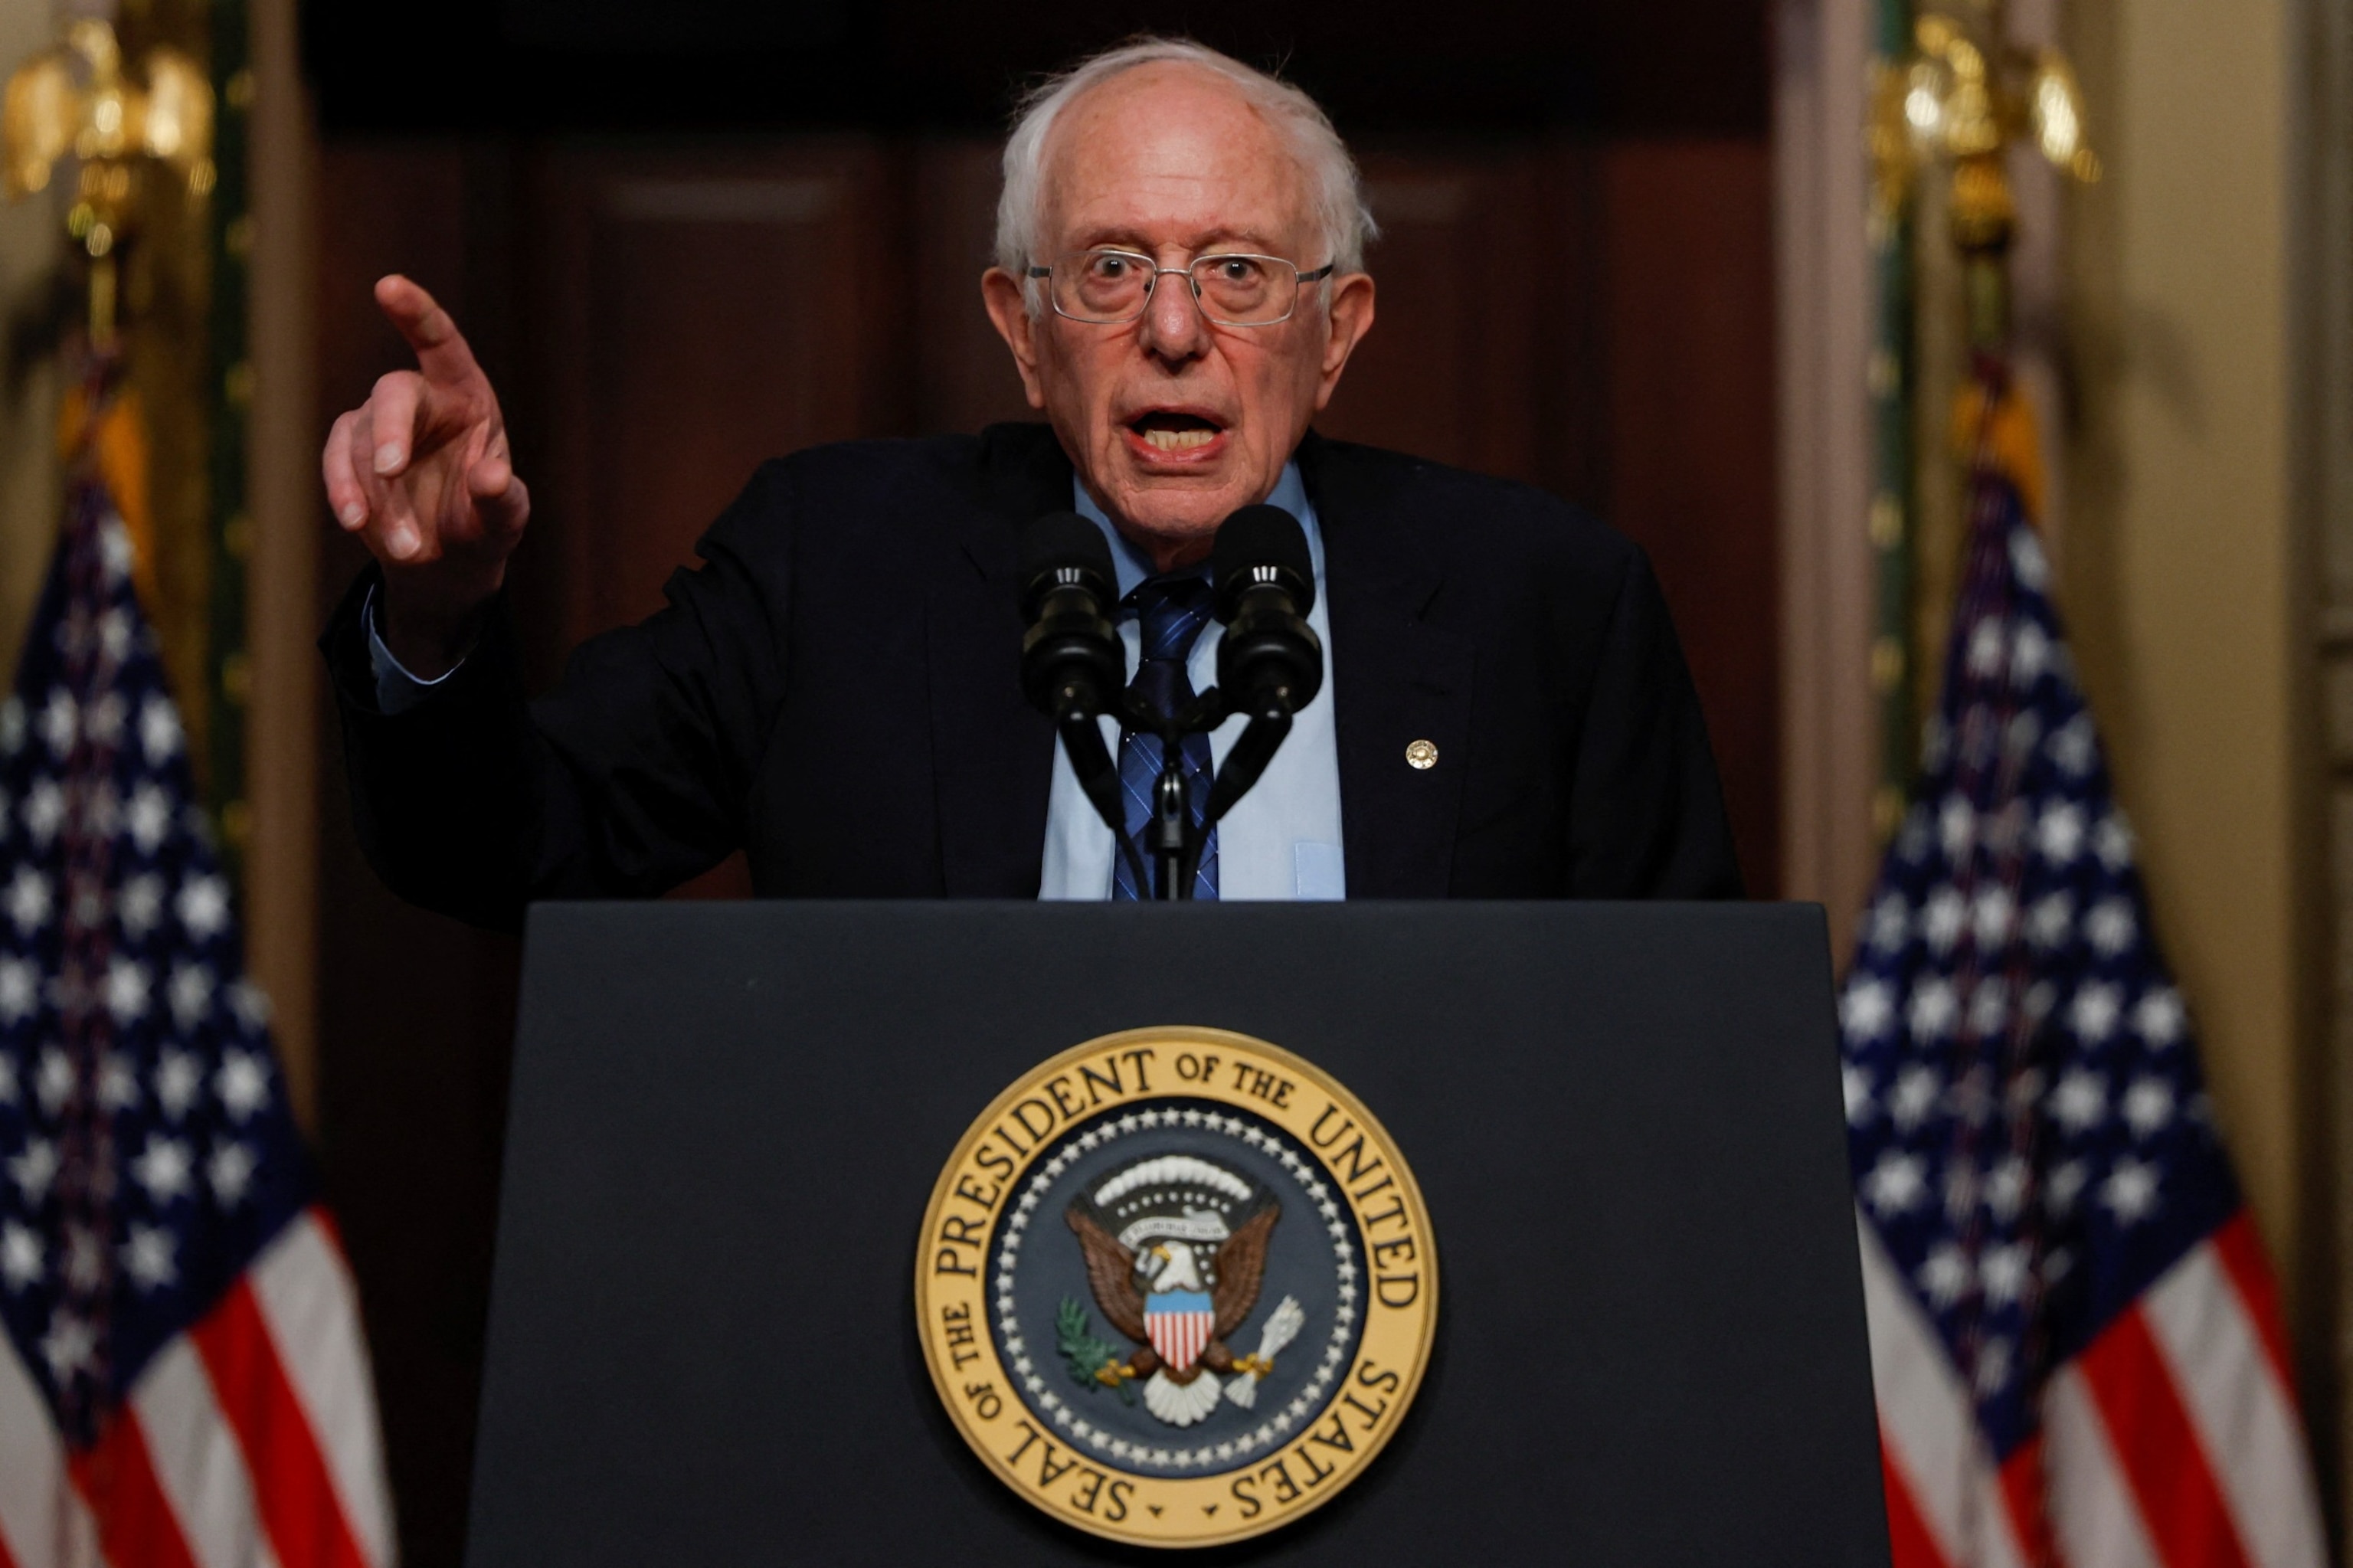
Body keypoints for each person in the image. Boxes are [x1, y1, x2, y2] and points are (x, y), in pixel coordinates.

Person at [318, 38, 1741, 926]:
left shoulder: (1544, 605)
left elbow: (1675, 1058)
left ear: (1337, 335)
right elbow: (509, 850)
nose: (1174, 332)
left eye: (1238, 272)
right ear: (1021, 332)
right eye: (1112, 269)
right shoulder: (830, 566)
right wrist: (432, 616)